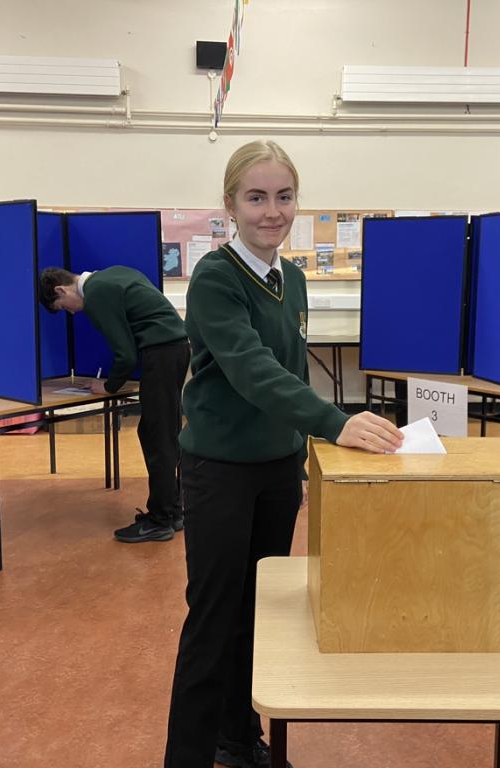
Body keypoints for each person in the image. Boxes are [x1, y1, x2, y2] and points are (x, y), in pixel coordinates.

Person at [164, 140, 403, 768]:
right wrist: (335, 422)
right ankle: (187, 756)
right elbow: (252, 370)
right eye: (256, 197)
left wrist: (307, 448)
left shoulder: (290, 279)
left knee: (257, 615)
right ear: (230, 205)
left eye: (284, 196)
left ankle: (237, 739)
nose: (272, 211)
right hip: (220, 471)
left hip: (275, 471)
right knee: (213, 619)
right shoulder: (215, 278)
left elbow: (292, 371)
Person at [39, 265, 190, 543]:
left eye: (63, 307)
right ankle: (173, 511)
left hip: (161, 353)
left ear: (61, 289)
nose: (71, 313)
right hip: (175, 348)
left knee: (156, 436)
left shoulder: (96, 294)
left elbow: (125, 354)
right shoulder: (112, 275)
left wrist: (108, 386)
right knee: (163, 433)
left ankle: (160, 521)